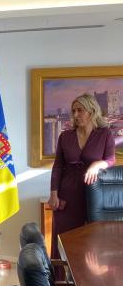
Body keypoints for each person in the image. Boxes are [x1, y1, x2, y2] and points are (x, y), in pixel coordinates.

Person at [49, 93, 115, 262]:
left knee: (91, 244)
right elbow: (58, 167)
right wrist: (54, 193)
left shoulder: (105, 134)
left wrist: (97, 164)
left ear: (91, 111)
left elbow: (110, 160)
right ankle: (61, 278)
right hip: (67, 196)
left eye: (80, 110)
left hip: (93, 194)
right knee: (65, 241)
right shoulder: (65, 136)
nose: (76, 114)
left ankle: (87, 278)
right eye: (74, 111)